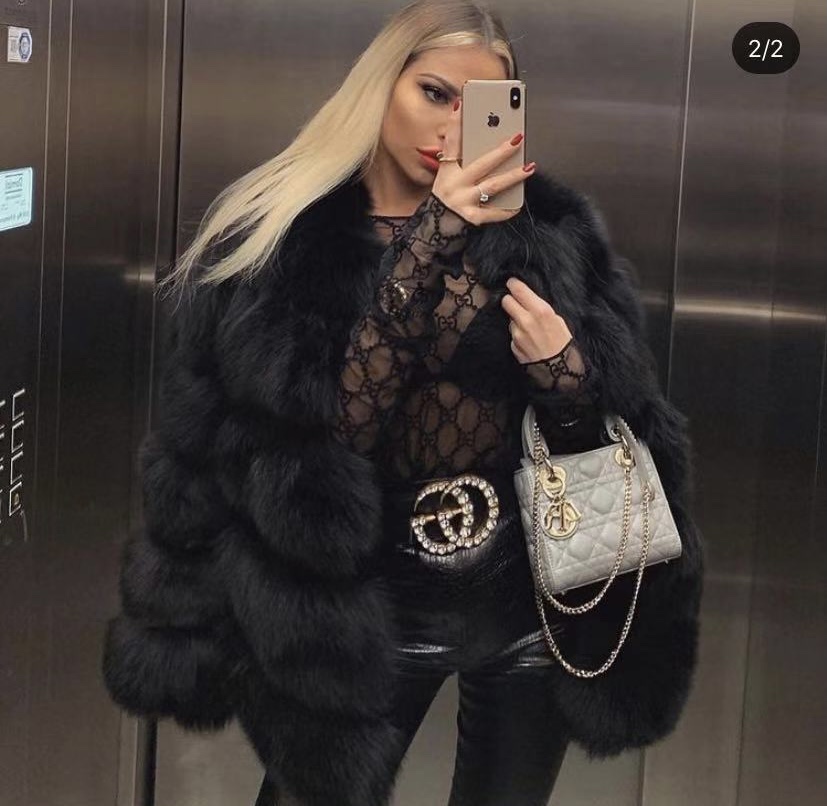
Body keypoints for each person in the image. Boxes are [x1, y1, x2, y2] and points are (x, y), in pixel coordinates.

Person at [102, 2, 705, 805]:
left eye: (477, 104)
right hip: (360, 617)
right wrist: (433, 234)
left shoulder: (552, 235)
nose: (451, 127)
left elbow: (616, 434)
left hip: (530, 606)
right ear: (379, 85)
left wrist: (565, 379)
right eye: (433, 93)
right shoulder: (281, 239)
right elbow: (336, 427)